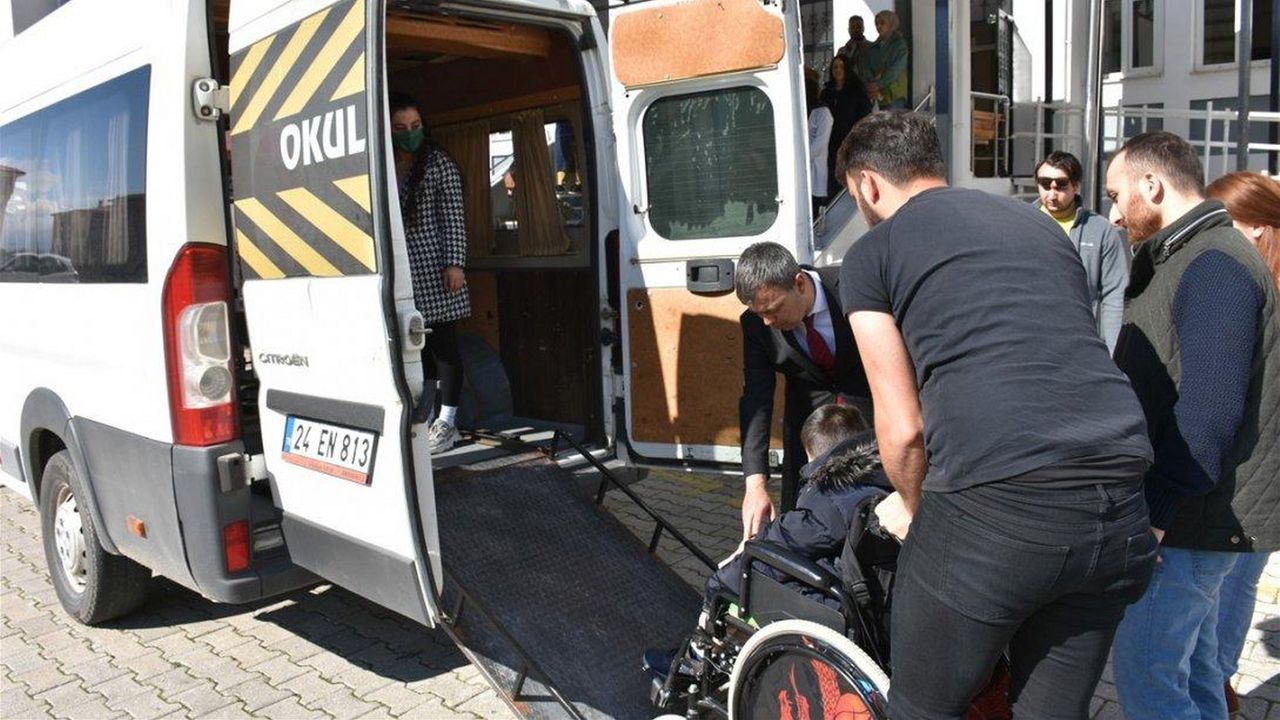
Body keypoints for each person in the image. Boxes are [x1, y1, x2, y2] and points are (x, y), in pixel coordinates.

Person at [835, 111, 1155, 718]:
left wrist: (918, 512)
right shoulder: (1040, 228)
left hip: (997, 504)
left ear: (867, 184)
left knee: (921, 709)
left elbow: (903, 429)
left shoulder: (873, 252)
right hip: (1119, 498)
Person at [1105, 134, 1280, 720]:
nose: (1113, 214)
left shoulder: (1214, 263)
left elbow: (1208, 414)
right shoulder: (1189, 253)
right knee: (1197, 676)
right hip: (1193, 519)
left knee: (1150, 684)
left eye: (1116, 195)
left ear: (1152, 185)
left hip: (1188, 523)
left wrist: (1154, 516)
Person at [645, 404, 885, 683]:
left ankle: (697, 663)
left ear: (814, 455)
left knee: (737, 585)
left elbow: (778, 545)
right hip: (872, 603)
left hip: (841, 609)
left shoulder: (827, 501)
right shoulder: (886, 480)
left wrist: (721, 580)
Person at [1205, 171, 1280, 718]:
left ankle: (1216, 689)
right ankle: (1218, 687)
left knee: (1228, 587)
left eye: (1222, 222)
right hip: (1249, 467)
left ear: (1255, 227)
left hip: (1258, 472)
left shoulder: (1255, 289)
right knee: (1229, 586)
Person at [736, 242, 871, 540]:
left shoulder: (852, 284)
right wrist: (755, 485)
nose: (768, 322)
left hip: (870, 426)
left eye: (773, 310)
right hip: (808, 441)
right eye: (759, 314)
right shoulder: (756, 326)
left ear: (799, 283)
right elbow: (757, 399)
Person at [390, 92, 470, 454]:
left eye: (415, 125)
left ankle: (449, 422)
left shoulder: (440, 164)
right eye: (401, 127)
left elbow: (453, 217)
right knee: (417, 350)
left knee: (444, 349)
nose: (410, 133)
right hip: (403, 272)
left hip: (438, 270)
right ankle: (430, 414)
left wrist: (455, 263)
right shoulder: (386, 162)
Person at [1033, 150, 1130, 351]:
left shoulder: (1101, 231)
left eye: (1061, 185)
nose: (1052, 194)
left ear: (1076, 186)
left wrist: (1115, 352)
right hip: (1030, 341)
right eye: (1045, 184)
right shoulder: (1021, 223)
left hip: (1079, 344)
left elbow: (1115, 296)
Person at [820, 56, 874, 199]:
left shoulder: (856, 92)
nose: (838, 70)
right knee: (832, 177)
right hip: (830, 143)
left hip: (850, 142)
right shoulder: (826, 93)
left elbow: (865, 116)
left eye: (841, 67)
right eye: (835, 67)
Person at [863, 11, 909, 110]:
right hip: (877, 96)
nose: (878, 26)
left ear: (891, 24)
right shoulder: (873, 47)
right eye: (876, 24)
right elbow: (867, 68)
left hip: (895, 96)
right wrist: (871, 85)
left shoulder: (899, 45)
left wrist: (878, 84)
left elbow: (896, 69)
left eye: (882, 23)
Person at [836, 15, 871, 81]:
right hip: (848, 85)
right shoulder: (842, 51)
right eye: (853, 27)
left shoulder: (872, 47)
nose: (856, 30)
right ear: (849, 30)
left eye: (858, 27)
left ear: (863, 28)